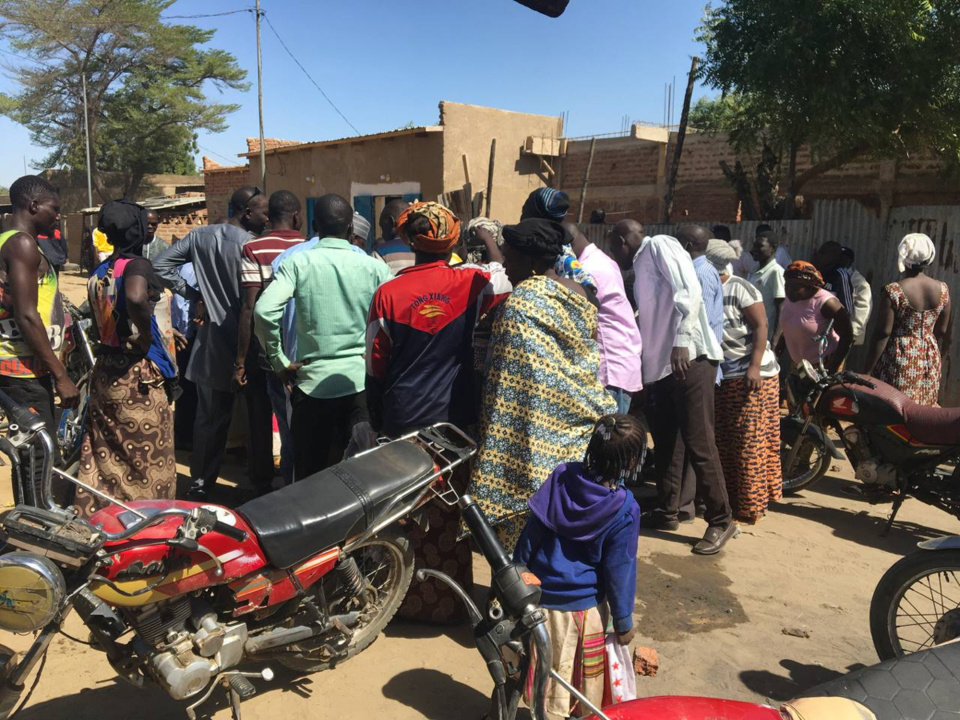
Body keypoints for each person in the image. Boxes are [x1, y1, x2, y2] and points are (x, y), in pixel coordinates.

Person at [366, 201, 510, 624]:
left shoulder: (388, 292)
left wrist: (378, 412)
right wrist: (486, 239)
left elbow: (376, 361)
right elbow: (506, 275)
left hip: (404, 415)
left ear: (410, 239)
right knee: (451, 508)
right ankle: (451, 601)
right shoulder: (473, 281)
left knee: (406, 508)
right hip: (455, 417)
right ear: (452, 241)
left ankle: (401, 597)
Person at [467, 218, 616, 552]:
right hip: (576, 432)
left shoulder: (519, 306)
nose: (505, 263)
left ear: (532, 262)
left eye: (511, 257)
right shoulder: (578, 292)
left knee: (526, 534)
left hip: (532, 439)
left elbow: (510, 384)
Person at [609, 220, 735, 555]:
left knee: (699, 441)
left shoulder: (659, 244)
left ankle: (722, 519)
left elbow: (689, 290)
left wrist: (682, 341)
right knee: (667, 442)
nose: (612, 253)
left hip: (690, 358)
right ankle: (668, 510)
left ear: (622, 240)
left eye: (612, 246)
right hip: (663, 367)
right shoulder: (639, 265)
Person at [514, 414, 642, 717]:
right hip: (585, 612)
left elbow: (529, 538)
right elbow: (620, 570)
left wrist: (517, 575)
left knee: (547, 670)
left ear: (592, 447)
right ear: (633, 460)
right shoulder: (625, 508)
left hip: (539, 603)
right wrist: (623, 621)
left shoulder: (561, 476)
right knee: (579, 680)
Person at [255, 193, 390, 478]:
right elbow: (392, 321)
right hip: (360, 386)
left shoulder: (298, 263)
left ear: (314, 225)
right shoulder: (376, 268)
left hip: (312, 386)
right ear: (351, 228)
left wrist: (278, 361)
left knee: (311, 479)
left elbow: (264, 312)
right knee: (360, 478)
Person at [154, 186, 269, 500]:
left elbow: (160, 266)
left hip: (212, 345)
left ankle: (202, 483)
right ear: (247, 212)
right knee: (258, 416)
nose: (267, 218)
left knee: (210, 419)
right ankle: (261, 483)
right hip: (251, 344)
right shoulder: (254, 246)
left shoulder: (198, 237)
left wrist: (195, 294)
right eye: (263, 212)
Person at [74, 200, 178, 517]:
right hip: (136, 376)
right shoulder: (136, 267)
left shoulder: (101, 271)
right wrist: (146, 337)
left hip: (105, 370)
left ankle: (100, 519)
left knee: (107, 454)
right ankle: (148, 524)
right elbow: (135, 298)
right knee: (147, 458)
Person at [0, 175, 77, 503]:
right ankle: (34, 533)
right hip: (25, 371)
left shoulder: (8, 238)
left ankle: (29, 525)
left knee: (29, 456)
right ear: (33, 206)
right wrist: (61, 376)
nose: (57, 216)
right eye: (53, 209)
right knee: (39, 459)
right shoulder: (22, 243)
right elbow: (27, 315)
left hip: (17, 369)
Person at [707, 240, 782, 524]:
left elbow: (762, 325)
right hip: (726, 374)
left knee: (748, 442)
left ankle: (751, 507)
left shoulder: (740, 287)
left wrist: (753, 365)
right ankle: (735, 500)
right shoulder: (710, 286)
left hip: (751, 374)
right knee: (728, 440)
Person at [235, 190, 306, 488]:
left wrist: (240, 360)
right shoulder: (309, 246)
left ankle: (276, 487)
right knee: (303, 427)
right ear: (296, 216)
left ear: (269, 216)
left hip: (271, 352)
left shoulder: (254, 248)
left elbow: (250, 307)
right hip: (304, 347)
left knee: (279, 422)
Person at [563, 222, 641, 414]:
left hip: (609, 370)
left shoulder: (588, 269)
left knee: (607, 439)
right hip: (619, 363)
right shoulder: (601, 260)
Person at [865, 234, 950, 406]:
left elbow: (883, 332)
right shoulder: (943, 289)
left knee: (895, 406)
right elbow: (941, 330)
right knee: (922, 409)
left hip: (899, 355)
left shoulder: (894, 290)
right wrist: (927, 350)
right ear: (929, 257)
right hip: (929, 355)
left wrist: (867, 371)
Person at [777, 261, 853, 371]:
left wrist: (833, 367)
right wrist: (781, 345)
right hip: (799, 365)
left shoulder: (827, 303)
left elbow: (847, 336)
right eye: (786, 285)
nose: (788, 291)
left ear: (810, 287)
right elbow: (793, 321)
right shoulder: (792, 297)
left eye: (794, 288)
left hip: (823, 365)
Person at [748, 232, 786, 343]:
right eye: (754, 245)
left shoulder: (776, 272)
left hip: (766, 337)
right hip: (753, 333)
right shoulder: (754, 271)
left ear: (773, 248)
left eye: (759, 246)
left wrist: (775, 339)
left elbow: (782, 308)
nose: (754, 249)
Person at [813, 241, 855, 317]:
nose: (818, 256)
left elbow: (847, 310)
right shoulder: (814, 272)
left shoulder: (840, 275)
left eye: (823, 253)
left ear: (833, 257)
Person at [841, 246, 873, 346]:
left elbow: (863, 309)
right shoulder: (835, 275)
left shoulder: (860, 283)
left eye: (843, 258)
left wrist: (853, 334)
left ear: (850, 261)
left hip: (846, 335)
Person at [372, 199, 414, 273]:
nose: (382, 234)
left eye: (383, 226)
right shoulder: (423, 248)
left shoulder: (380, 252)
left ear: (392, 222)